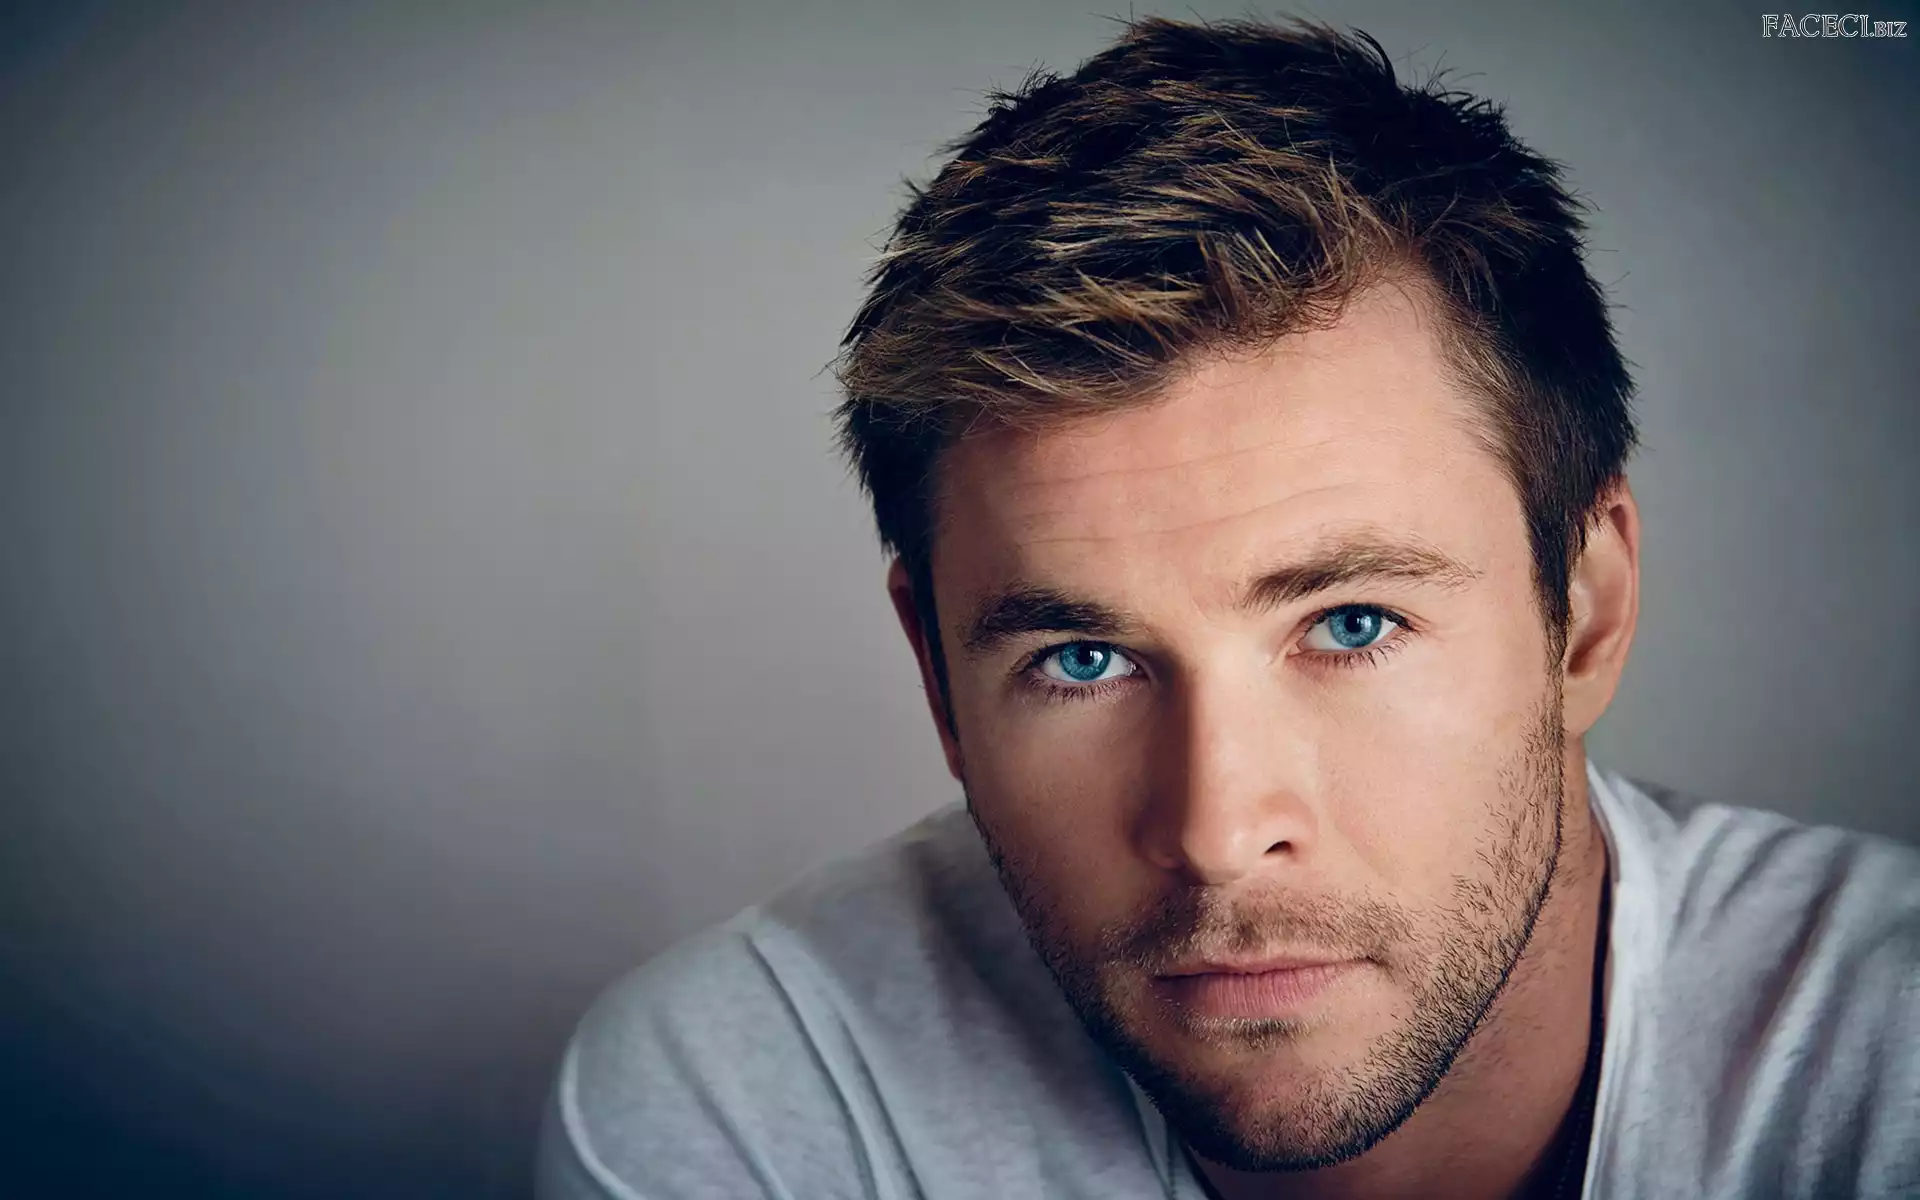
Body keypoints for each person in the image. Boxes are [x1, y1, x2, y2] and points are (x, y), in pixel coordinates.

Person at [536, 16, 1920, 1199]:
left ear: (1590, 612)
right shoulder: (757, 1102)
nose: (1216, 833)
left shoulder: (1886, 1063)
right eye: (1083, 657)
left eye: (1352, 624)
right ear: (936, 675)